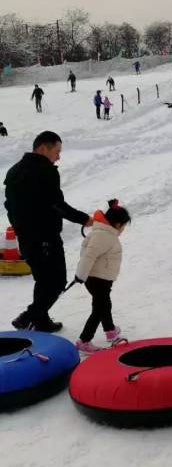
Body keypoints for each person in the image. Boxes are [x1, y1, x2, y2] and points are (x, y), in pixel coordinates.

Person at [4, 130, 91, 332]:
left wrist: (19, 230)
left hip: (26, 239)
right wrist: (84, 219)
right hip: (46, 238)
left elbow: (9, 206)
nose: (58, 156)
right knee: (57, 282)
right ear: (43, 148)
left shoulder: (14, 170)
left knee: (43, 281)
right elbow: (56, 205)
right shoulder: (45, 171)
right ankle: (28, 317)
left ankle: (41, 321)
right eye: (57, 151)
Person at [74, 199, 131, 353]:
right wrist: (80, 275)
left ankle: (110, 330)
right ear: (118, 225)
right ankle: (84, 340)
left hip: (100, 278)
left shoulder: (104, 233)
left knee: (104, 304)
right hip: (97, 279)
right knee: (99, 308)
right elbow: (88, 256)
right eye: (124, 226)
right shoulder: (104, 236)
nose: (123, 229)